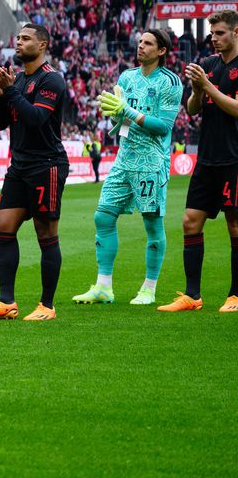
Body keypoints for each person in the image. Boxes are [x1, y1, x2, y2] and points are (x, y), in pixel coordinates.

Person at [73, 29, 181, 306]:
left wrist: (129, 112)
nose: (141, 47)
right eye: (140, 42)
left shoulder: (170, 82)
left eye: (148, 43)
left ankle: (149, 288)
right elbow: (121, 120)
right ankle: (104, 287)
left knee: (152, 224)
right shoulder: (127, 77)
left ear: (161, 51)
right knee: (103, 217)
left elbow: (163, 127)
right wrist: (114, 115)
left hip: (151, 163)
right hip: (124, 158)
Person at [0, 25, 69, 322]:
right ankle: (6, 302)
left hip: (47, 164)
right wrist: (2, 94)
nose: (19, 42)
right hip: (20, 165)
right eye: (18, 38)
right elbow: (2, 123)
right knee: (3, 227)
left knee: (45, 233)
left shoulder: (51, 79)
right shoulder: (20, 79)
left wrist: (11, 91)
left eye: (26, 39)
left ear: (42, 45)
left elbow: (38, 117)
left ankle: (47, 306)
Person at [164, 10, 238, 313]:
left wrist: (208, 87)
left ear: (235, 32)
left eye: (220, 33)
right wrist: (196, 89)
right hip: (207, 158)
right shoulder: (207, 65)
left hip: (235, 158)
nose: (214, 39)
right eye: (212, 34)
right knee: (190, 222)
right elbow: (193, 110)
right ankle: (192, 295)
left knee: (235, 225)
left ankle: (235, 295)